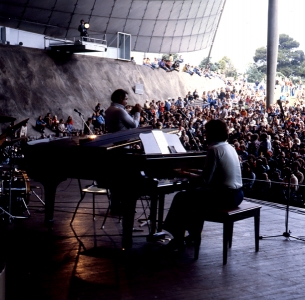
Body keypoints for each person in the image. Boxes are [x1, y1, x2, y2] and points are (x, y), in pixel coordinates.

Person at [163, 119, 244, 250]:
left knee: (181, 198)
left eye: (207, 132)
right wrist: (191, 171)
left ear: (212, 133)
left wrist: (185, 174)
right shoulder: (228, 146)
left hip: (225, 196)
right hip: (237, 194)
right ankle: (193, 235)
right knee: (193, 196)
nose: (205, 134)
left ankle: (178, 238)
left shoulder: (213, 149)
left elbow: (205, 180)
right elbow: (212, 172)